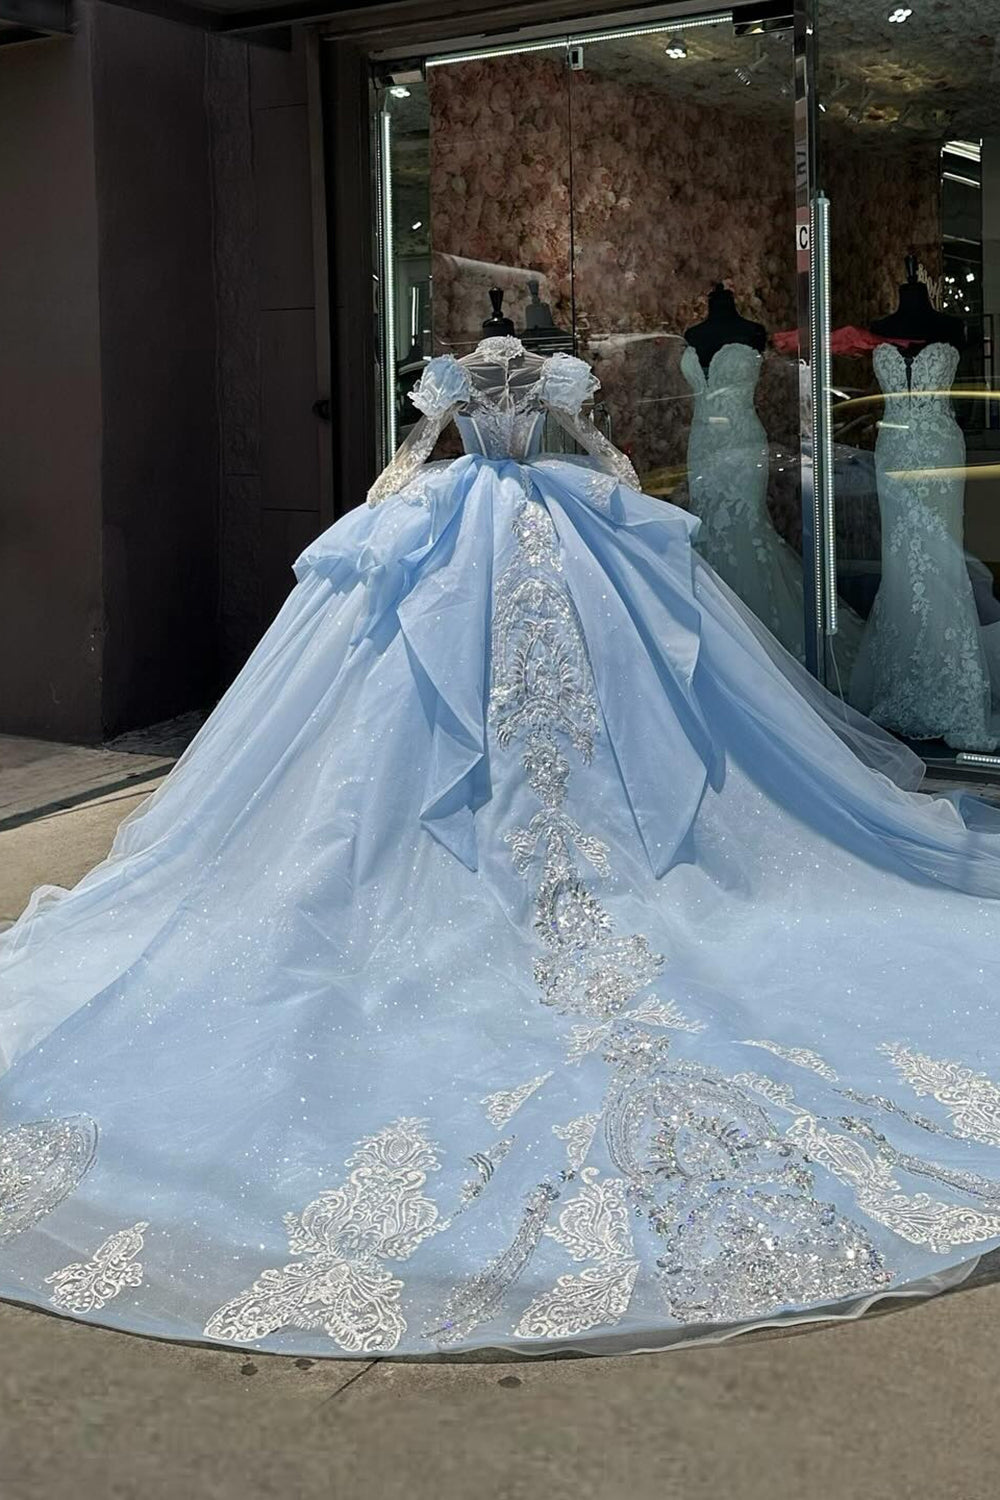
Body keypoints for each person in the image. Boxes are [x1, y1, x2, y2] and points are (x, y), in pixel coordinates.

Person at [2, 337, 1000, 1359]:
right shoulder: (550, 380)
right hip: (546, 522)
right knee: (598, 690)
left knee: (431, 697)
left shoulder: (451, 381)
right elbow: (600, 452)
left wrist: (390, 504)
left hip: (468, 520)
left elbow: (416, 450)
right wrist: (604, 486)